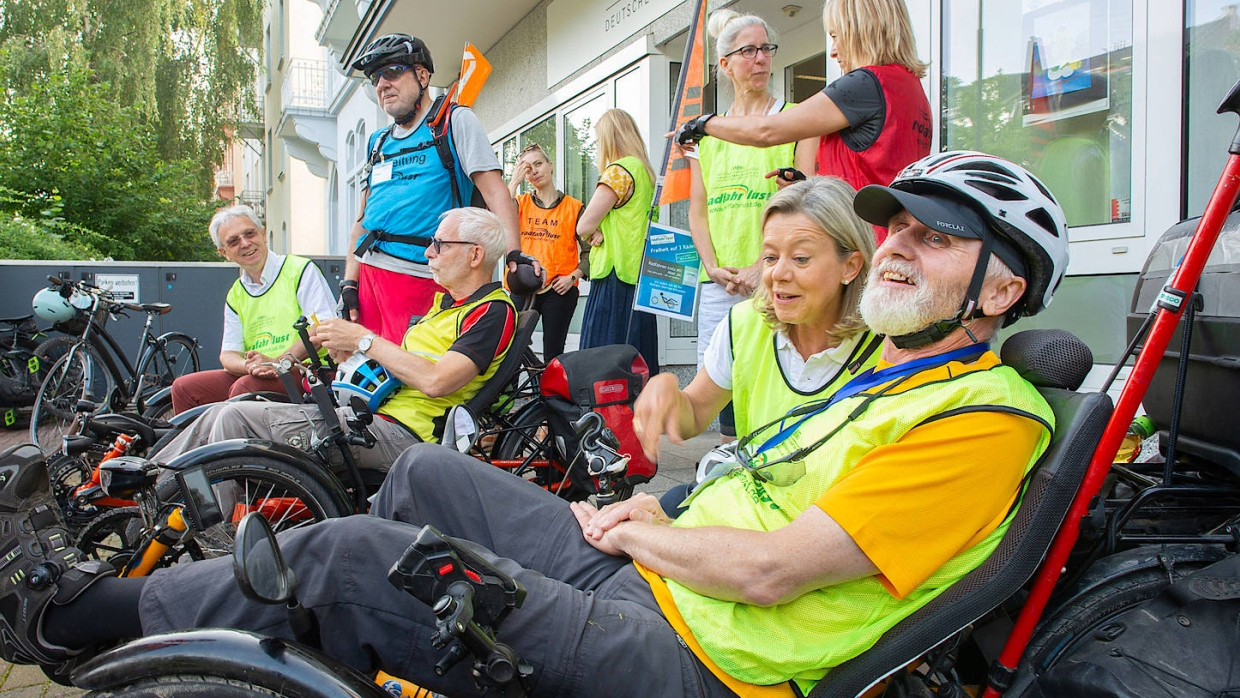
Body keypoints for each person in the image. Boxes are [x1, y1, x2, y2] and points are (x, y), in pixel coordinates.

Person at [0, 152, 1070, 697]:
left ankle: (85, 613)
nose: (892, 246)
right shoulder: (890, 369)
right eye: (894, 227)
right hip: (667, 576)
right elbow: (760, 465)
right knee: (424, 487)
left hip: (707, 657)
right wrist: (662, 498)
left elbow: (776, 573)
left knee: (350, 555)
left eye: (932, 241)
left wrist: (634, 525)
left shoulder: (980, 416)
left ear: (999, 289)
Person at [150, 208, 517, 470]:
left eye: (439, 245)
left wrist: (365, 340)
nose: (427, 252)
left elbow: (437, 381)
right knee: (219, 412)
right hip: (370, 415)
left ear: (474, 255)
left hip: (401, 434)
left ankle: (205, 522)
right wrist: (354, 358)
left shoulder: (492, 311)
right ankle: (149, 475)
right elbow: (405, 368)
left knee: (236, 419)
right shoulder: (445, 305)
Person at [635, 176, 881, 467]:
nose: (778, 274)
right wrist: (670, 400)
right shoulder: (744, 324)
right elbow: (696, 412)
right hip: (754, 504)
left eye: (800, 258)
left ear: (850, 267)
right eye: (770, 257)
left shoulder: (891, 345)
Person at [675, 0, 932, 242]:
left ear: (860, 30)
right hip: (890, 237)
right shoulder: (911, 89)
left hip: (862, 240)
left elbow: (766, 130)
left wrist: (701, 124)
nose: (832, 51)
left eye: (835, 35)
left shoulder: (865, 85)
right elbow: (875, 166)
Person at [685, 9, 819, 441]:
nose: (761, 58)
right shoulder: (707, 135)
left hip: (778, 276)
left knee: (779, 374)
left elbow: (810, 199)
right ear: (724, 64)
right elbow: (699, 210)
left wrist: (758, 268)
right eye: (748, 50)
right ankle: (728, 466)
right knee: (722, 384)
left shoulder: (798, 118)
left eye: (766, 49)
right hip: (719, 286)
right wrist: (711, 266)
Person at [344, 33, 523, 343]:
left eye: (392, 71)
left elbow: (496, 193)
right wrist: (349, 282)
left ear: (422, 75)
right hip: (370, 275)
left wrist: (515, 255)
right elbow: (362, 219)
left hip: (423, 276)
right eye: (375, 77)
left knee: (410, 375)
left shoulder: (454, 121)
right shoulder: (377, 143)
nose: (382, 84)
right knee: (366, 376)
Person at [168, 205, 338, 414]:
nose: (245, 243)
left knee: (244, 389)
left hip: (308, 371)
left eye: (249, 233)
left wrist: (278, 362)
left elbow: (322, 327)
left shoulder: (300, 270)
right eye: (234, 241)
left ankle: (234, 445)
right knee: (183, 388)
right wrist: (251, 367)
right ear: (225, 253)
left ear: (263, 234)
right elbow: (228, 355)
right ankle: (203, 445)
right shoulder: (236, 293)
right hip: (261, 373)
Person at [576, 108, 660, 374]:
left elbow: (583, 225)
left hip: (614, 276)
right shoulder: (645, 173)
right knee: (639, 360)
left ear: (609, 139)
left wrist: (593, 232)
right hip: (639, 276)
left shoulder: (618, 172)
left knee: (602, 363)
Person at [507, 143, 588, 362]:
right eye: (527, 168)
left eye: (538, 164)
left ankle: (548, 395)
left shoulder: (573, 207)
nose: (534, 171)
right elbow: (498, 218)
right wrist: (514, 182)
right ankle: (516, 391)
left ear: (550, 165)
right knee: (511, 346)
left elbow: (590, 251)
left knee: (554, 352)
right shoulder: (520, 203)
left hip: (559, 289)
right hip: (522, 286)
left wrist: (573, 277)